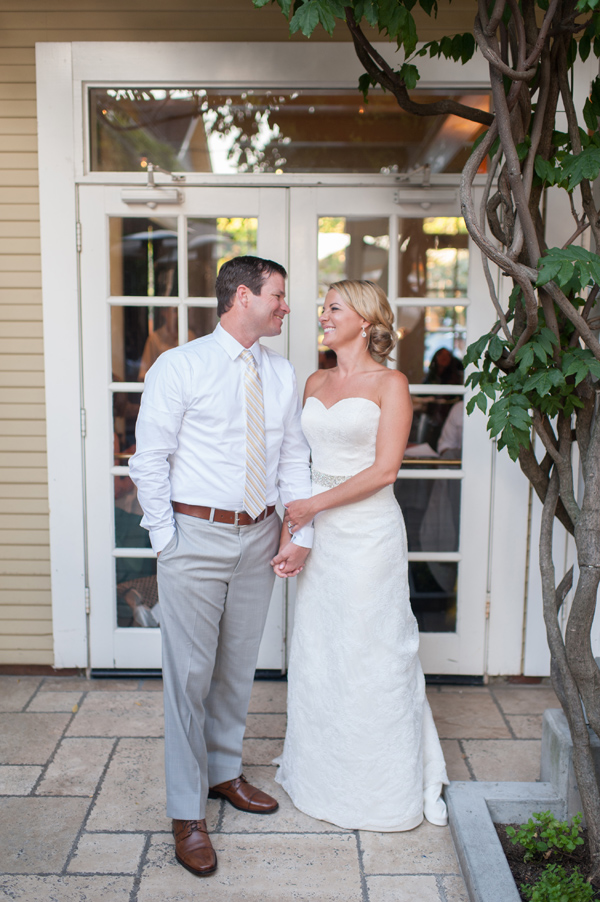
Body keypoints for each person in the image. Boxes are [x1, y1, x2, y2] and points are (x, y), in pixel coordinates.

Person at [129, 256, 313, 877]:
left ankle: (224, 773)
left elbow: (290, 461)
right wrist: (166, 541)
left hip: (261, 536)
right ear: (243, 295)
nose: (286, 306)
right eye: (279, 296)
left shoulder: (282, 374)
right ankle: (186, 811)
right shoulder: (180, 367)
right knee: (187, 676)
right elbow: (149, 459)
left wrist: (298, 530)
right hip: (195, 535)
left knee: (238, 668)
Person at [273, 279, 449, 831]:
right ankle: (322, 777)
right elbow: (295, 468)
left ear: (368, 322)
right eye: (324, 308)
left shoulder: (390, 383)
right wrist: (294, 534)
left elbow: (383, 472)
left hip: (368, 535)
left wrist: (311, 509)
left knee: (372, 652)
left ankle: (382, 787)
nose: (322, 316)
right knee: (321, 651)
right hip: (318, 533)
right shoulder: (314, 380)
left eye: (333, 308)